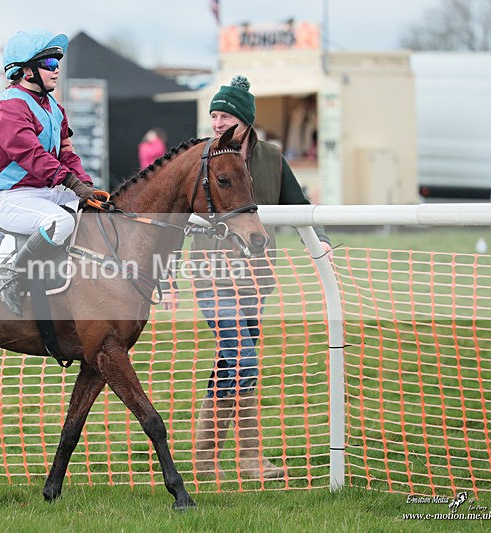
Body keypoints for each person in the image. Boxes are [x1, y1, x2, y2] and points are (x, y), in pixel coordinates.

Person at [190, 75, 332, 479]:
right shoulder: (201, 156)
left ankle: (204, 457)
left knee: (229, 362)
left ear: (245, 121)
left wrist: (319, 242)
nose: (217, 123)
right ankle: (251, 459)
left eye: (225, 115)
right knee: (245, 358)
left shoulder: (272, 158)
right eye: (214, 115)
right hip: (211, 276)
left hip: (257, 279)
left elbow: (299, 207)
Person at [0, 30, 98, 317]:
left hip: (50, 192)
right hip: (14, 198)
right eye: (49, 64)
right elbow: (29, 155)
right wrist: (71, 182)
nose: (56, 69)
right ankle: (10, 275)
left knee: (99, 216)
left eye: (57, 63)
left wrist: (85, 185)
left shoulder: (54, 109)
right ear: (26, 71)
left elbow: (67, 154)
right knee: (60, 222)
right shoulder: (7, 105)